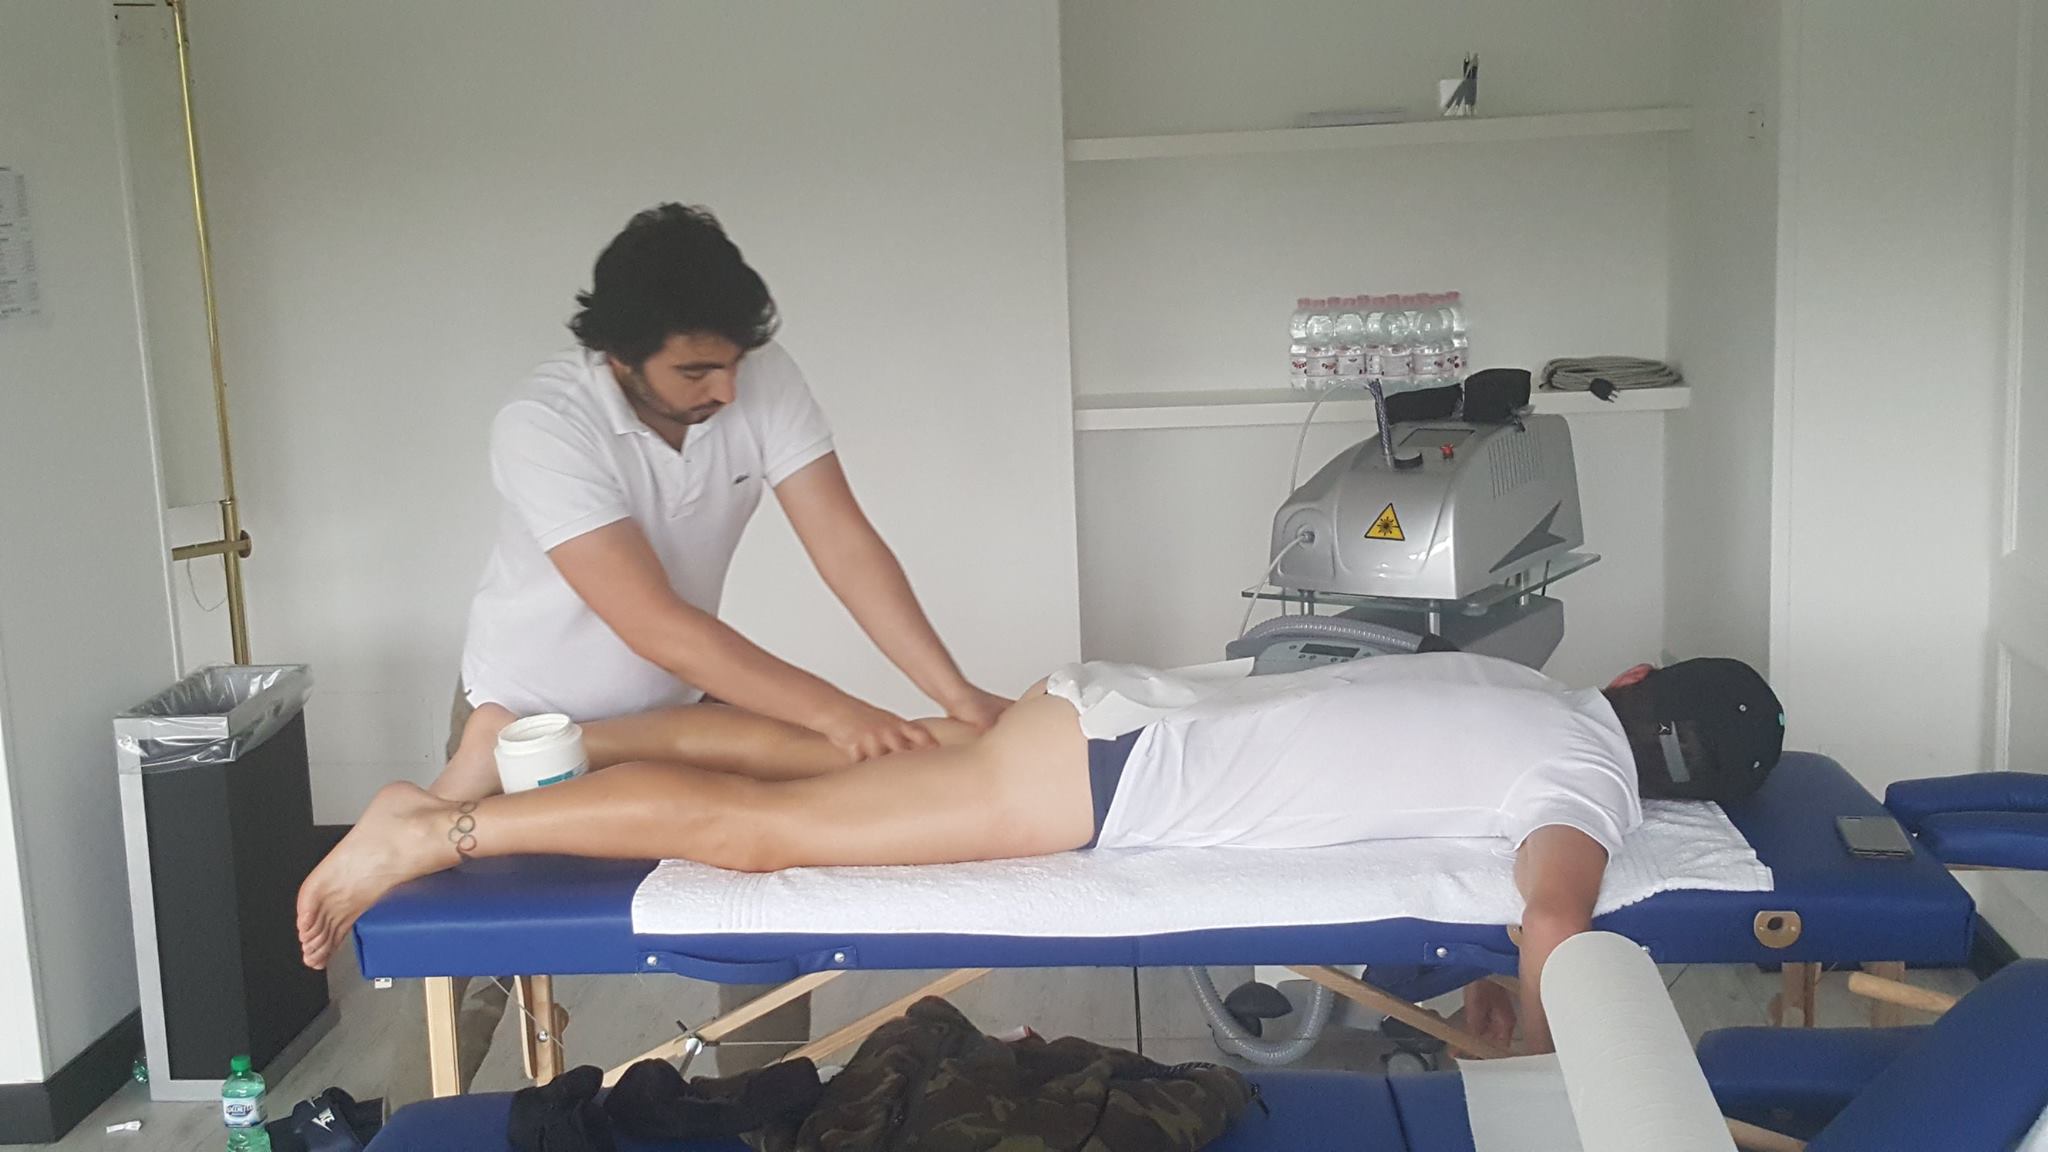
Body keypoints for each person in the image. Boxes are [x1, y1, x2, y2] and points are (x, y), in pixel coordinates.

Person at [307, 651, 1784, 1054]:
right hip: (1104, 783)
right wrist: (1533, 1041)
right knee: (770, 842)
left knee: (831, 767)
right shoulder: (1591, 780)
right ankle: (439, 825)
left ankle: (560, 742)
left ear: (1638, 678)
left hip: (1111, 711)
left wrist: (1493, 985)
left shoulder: (1537, 688)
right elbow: (1556, 921)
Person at [407, 203, 1009, 1098]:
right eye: (695, 370)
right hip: (523, 721)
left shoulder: (753, 376)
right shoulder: (544, 423)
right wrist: (840, 714)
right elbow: (653, 621)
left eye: (732, 363)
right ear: (620, 355)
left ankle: (765, 1106)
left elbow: (845, 545)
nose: (725, 389)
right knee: (472, 961)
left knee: (767, 908)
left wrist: (957, 694)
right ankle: (401, 1122)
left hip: (678, 708)